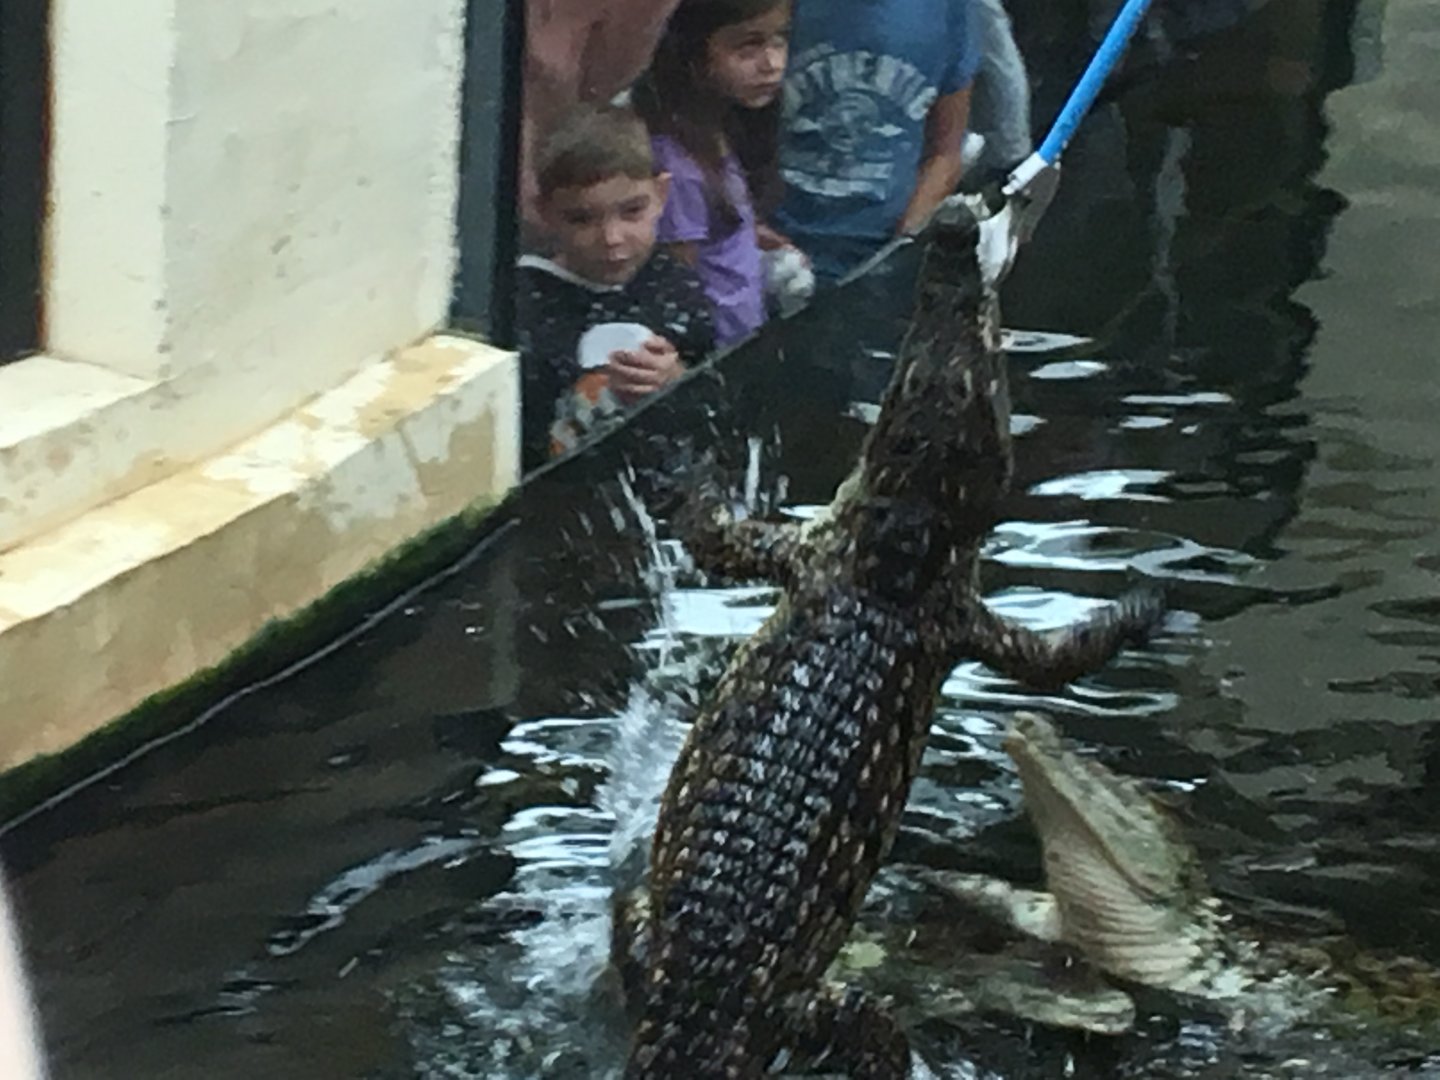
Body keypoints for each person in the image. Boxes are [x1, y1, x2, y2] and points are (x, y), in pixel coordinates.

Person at [516, 104, 717, 469]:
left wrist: (677, 380)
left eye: (632, 211)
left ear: (661, 194)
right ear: (545, 212)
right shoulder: (522, 303)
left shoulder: (675, 283)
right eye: (581, 219)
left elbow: (716, 400)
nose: (611, 238)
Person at [773, 0, 983, 283]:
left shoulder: (949, 8)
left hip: (882, 255)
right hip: (767, 252)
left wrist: (902, 245)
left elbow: (945, 151)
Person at [632, 0, 795, 345]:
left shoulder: (719, 131)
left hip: (746, 341)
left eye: (780, 39)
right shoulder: (678, 164)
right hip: (713, 350)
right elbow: (680, 285)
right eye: (748, 46)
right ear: (695, 54)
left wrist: (748, 234)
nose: (772, 63)